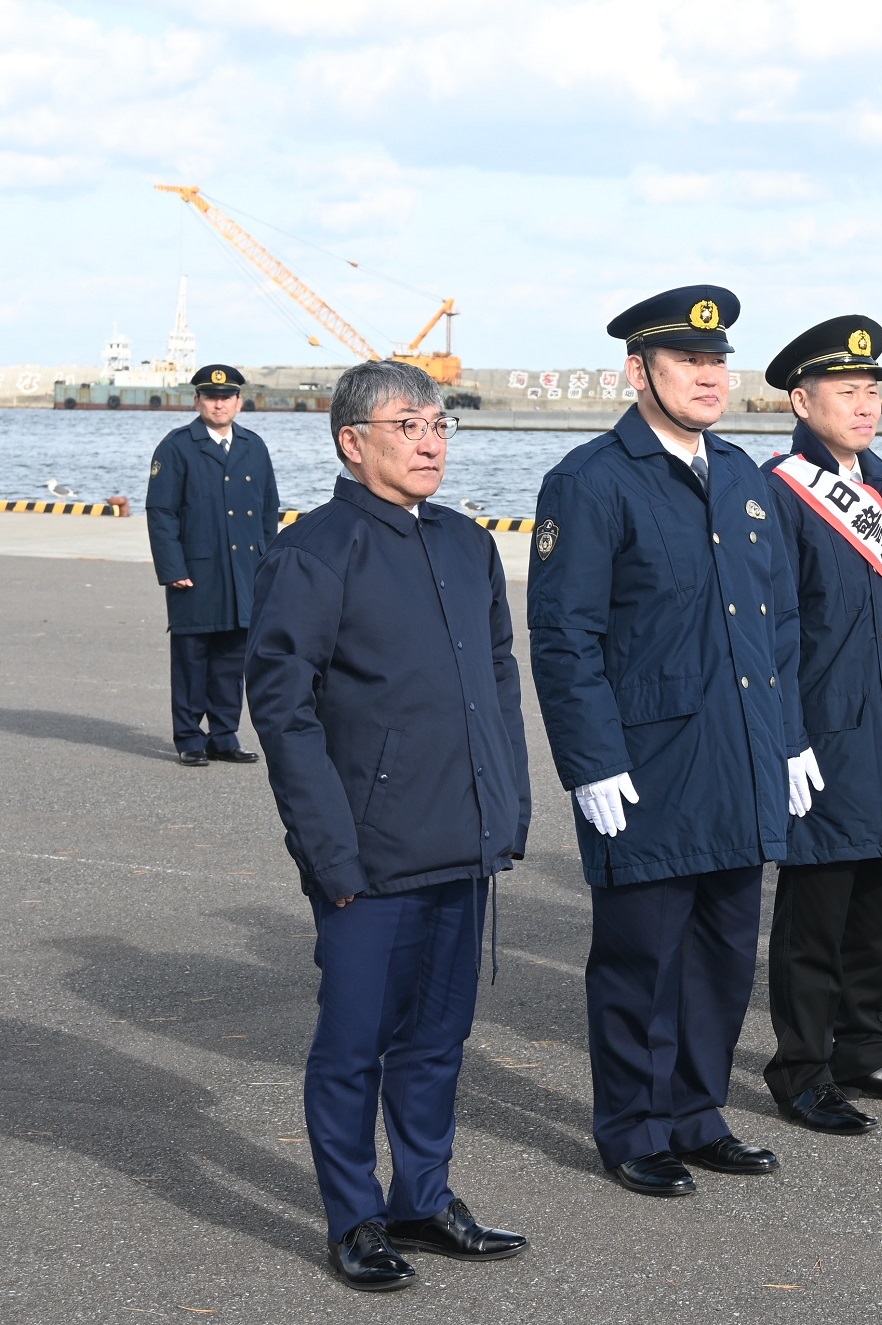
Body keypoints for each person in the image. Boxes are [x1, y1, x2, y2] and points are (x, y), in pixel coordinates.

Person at [245, 358, 532, 1291]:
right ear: (352, 439)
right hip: (367, 855)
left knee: (438, 1039)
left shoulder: (464, 543)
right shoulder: (316, 551)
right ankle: (354, 1217)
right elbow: (284, 714)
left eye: (441, 423)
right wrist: (329, 851)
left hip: (463, 838)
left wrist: (509, 805)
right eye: (409, 424)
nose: (431, 440)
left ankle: (423, 1194)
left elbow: (497, 680)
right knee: (353, 1046)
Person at [528, 285, 810, 1198]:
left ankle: (697, 1110)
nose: (708, 376)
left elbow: (777, 625)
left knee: (726, 954)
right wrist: (590, 760)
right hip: (647, 764)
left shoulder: (739, 475)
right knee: (640, 960)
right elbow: (565, 635)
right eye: (688, 360)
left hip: (740, 755)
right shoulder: (591, 479)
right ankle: (632, 1125)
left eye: (718, 361)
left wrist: (791, 740)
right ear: (637, 371)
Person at [758, 314, 882, 1134]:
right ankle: (801, 1067)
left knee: (880, 903)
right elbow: (772, 629)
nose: (866, 404)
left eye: (873, 390)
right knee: (817, 913)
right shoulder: (779, 491)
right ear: (802, 401)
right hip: (830, 731)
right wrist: (787, 735)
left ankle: (863, 1048)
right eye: (847, 391)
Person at [145, 363, 280, 766]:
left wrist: (269, 566)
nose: (218, 404)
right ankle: (188, 736)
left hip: (245, 571)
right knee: (192, 657)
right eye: (210, 396)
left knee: (231, 659)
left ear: (239, 401)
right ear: (197, 400)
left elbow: (268, 510)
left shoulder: (254, 447)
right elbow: (161, 512)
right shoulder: (176, 446)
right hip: (196, 571)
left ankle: (223, 735)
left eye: (226, 397)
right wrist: (173, 568)